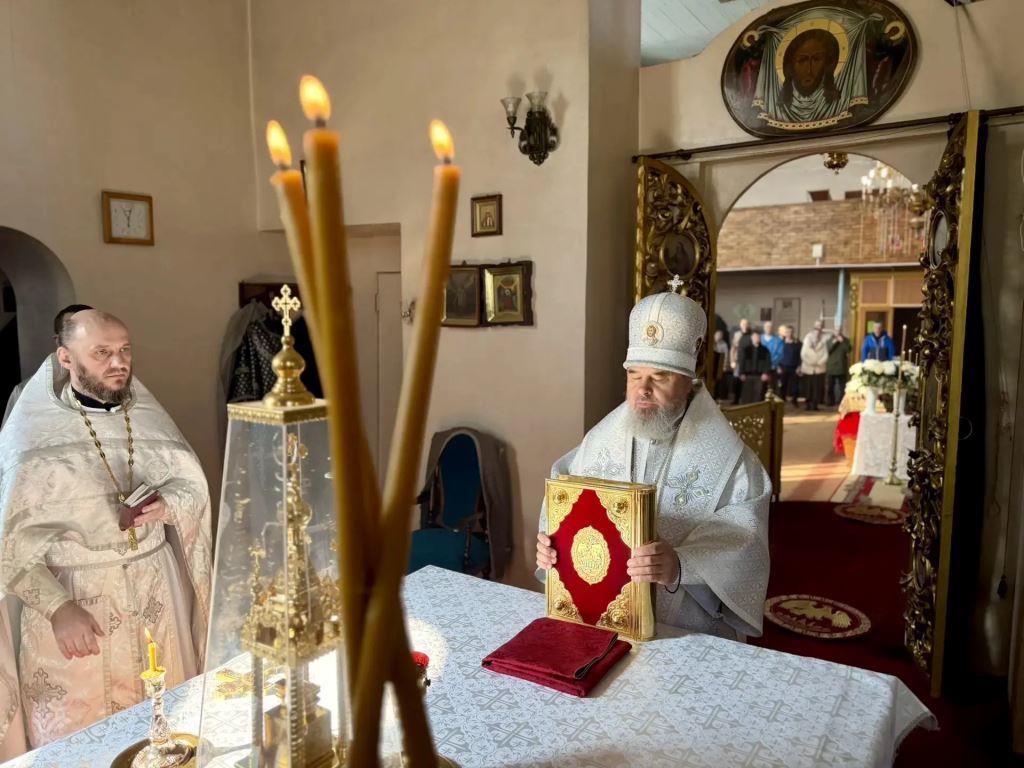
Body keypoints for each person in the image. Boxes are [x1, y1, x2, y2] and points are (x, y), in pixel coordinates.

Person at [0, 310, 212, 753]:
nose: (119, 363)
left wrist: (168, 504)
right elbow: (9, 542)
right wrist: (57, 607)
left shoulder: (148, 418)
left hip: (155, 597)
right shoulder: (32, 436)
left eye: (124, 350)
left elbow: (191, 486)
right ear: (65, 357)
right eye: (101, 353)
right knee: (80, 740)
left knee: (164, 727)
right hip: (76, 607)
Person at [535, 292, 770, 640]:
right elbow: (563, 504)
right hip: (601, 622)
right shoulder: (599, 441)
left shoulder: (734, 464)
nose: (642, 389)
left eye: (660, 377)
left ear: (689, 382)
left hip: (685, 633)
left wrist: (679, 566)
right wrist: (552, 545)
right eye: (634, 375)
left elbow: (745, 551)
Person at [1, 304, 93, 429]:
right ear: (58, 341)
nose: (85, 340)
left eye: (91, 332)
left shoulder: (118, 383)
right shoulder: (25, 393)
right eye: (73, 333)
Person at [800, 321, 829, 411]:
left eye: (820, 328)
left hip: (819, 368)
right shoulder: (807, 339)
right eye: (816, 328)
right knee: (808, 387)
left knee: (817, 387)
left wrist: (819, 362)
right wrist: (810, 362)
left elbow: (826, 355)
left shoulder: (824, 340)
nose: (817, 332)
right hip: (808, 368)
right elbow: (803, 354)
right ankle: (808, 404)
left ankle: (815, 405)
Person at [739, 331, 772, 404]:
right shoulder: (746, 349)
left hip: (759, 376)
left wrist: (765, 373)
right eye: (754, 337)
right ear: (752, 338)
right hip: (747, 375)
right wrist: (741, 373)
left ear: (760, 338)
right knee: (747, 394)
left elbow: (768, 363)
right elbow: (742, 361)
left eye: (757, 337)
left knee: (758, 395)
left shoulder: (765, 350)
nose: (756, 338)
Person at [826, 327, 852, 406]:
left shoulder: (846, 340)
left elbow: (848, 350)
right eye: (836, 330)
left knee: (842, 386)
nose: (838, 332)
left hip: (841, 366)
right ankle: (830, 402)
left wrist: (842, 342)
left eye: (840, 330)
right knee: (830, 386)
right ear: (834, 331)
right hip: (831, 366)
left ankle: (842, 402)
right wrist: (835, 341)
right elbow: (828, 350)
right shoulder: (829, 340)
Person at [729, 318, 752, 405]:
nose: (744, 326)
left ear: (748, 325)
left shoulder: (751, 335)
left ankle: (745, 399)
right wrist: (732, 361)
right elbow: (733, 349)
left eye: (746, 324)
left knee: (745, 381)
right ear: (740, 325)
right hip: (737, 361)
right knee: (736, 381)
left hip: (747, 362)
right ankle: (736, 399)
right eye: (743, 324)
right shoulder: (737, 335)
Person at [779, 325, 802, 406]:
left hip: (794, 367)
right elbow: (778, 355)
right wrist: (778, 366)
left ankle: (794, 401)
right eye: (787, 332)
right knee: (783, 385)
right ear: (785, 333)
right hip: (783, 366)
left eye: (791, 332)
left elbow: (800, 356)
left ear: (793, 332)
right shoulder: (781, 343)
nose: (789, 333)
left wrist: (799, 366)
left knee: (795, 385)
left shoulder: (798, 343)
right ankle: (782, 400)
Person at [760, 321, 784, 395]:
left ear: (773, 328)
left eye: (770, 327)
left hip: (773, 367)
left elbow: (780, 354)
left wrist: (770, 363)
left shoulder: (778, 340)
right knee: (760, 389)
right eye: (767, 327)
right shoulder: (759, 339)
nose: (768, 328)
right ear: (764, 328)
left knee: (772, 389)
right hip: (760, 368)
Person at [713, 329, 731, 401]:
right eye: (718, 335)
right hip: (712, 364)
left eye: (720, 335)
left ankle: (718, 396)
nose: (719, 336)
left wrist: (724, 365)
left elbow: (726, 356)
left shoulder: (724, 344)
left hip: (720, 365)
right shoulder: (711, 343)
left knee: (719, 381)